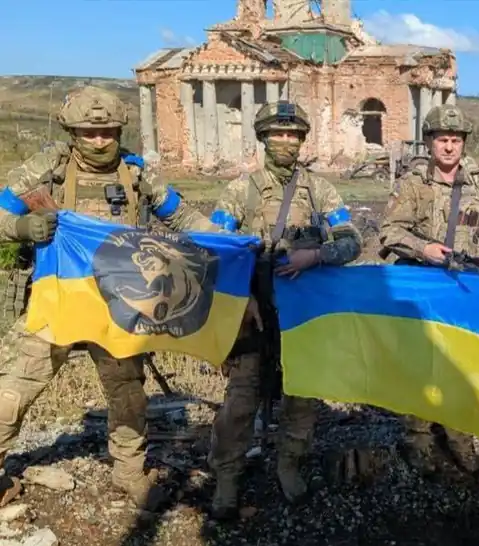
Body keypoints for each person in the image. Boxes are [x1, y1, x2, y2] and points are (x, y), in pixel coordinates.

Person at [0, 85, 217, 510]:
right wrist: (23, 229)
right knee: (15, 390)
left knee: (128, 397)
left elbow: (184, 215)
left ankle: (130, 474)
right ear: (72, 132)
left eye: (108, 132)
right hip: (58, 302)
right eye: (89, 132)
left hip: (119, 305)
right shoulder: (47, 168)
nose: (100, 140)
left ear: (120, 130)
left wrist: (227, 241)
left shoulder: (137, 174)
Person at [206, 100, 362, 519]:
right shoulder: (240, 190)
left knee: (301, 396)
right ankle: (226, 478)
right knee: (241, 401)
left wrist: (317, 256)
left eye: (293, 134)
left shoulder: (319, 189)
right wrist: (244, 302)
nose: (286, 141)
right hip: (252, 310)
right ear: (262, 137)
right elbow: (216, 251)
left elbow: (352, 240)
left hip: (303, 313)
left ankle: (289, 464)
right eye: (278, 133)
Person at [379, 103, 479, 475]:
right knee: (423, 365)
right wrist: (422, 249)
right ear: (429, 142)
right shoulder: (413, 184)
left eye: (456, 140)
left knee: (463, 363)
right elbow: (389, 232)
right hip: (426, 288)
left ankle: (458, 432)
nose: (449, 147)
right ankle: (420, 437)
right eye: (442, 139)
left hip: (466, 289)